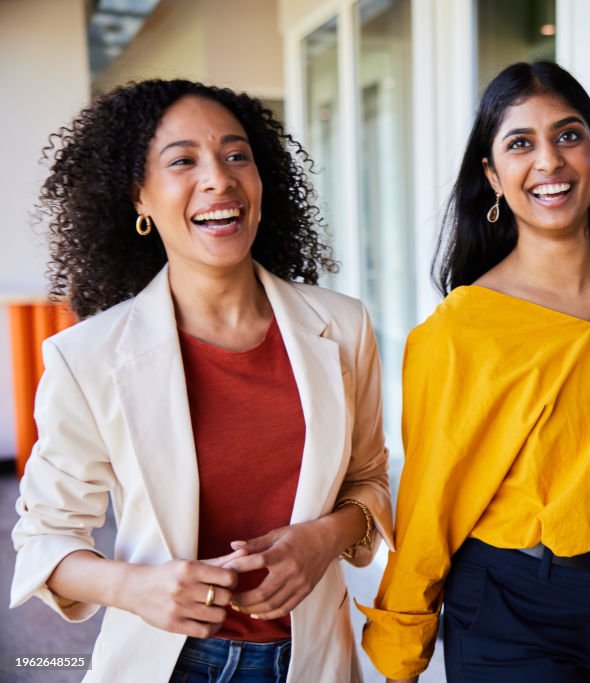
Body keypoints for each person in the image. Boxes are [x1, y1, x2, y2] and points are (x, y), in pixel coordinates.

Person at [358, 61, 590, 683]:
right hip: (512, 606)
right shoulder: (461, 330)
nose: (549, 161)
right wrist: (403, 638)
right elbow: (432, 501)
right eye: (520, 143)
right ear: (493, 176)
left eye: (568, 135)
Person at [10, 79, 394, 682]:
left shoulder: (342, 326)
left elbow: (369, 479)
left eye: (237, 155)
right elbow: (44, 540)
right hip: (168, 662)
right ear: (139, 198)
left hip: (315, 657)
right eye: (183, 160)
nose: (219, 178)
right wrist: (137, 587)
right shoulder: (86, 358)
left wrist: (324, 538)